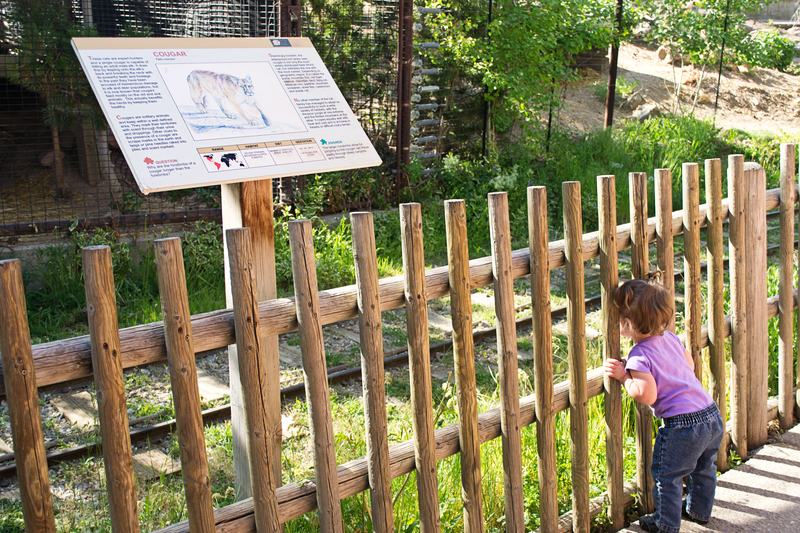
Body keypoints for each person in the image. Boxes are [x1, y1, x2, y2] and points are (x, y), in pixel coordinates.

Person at [604, 273, 724, 533]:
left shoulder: (638, 355)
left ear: (626, 324)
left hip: (683, 426)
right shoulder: (670, 338)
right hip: (710, 415)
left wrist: (625, 376)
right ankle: (699, 511)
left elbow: (647, 396)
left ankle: (666, 525)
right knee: (703, 467)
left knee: (666, 475)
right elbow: (689, 365)